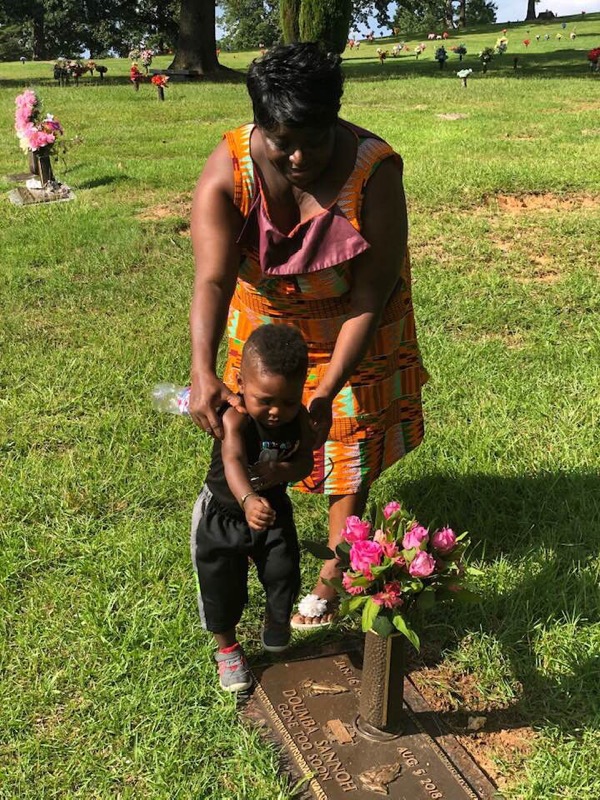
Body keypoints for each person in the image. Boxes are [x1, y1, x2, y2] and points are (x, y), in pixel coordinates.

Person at [189, 42, 427, 630]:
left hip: (355, 322)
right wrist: (201, 366)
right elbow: (213, 280)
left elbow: (369, 296)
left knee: (346, 445)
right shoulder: (229, 170)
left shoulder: (375, 171)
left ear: (336, 119)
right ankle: (270, 551)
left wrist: (325, 390)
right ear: (260, 125)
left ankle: (331, 576)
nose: (298, 157)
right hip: (268, 325)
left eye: (313, 141)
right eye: (281, 141)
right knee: (268, 438)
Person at [191, 324, 314, 692]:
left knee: (284, 570)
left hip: (272, 510)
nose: (277, 411)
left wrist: (282, 470)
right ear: (241, 384)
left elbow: (306, 462)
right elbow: (232, 461)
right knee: (220, 586)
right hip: (223, 515)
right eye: (265, 400)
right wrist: (246, 499)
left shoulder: (301, 419)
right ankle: (226, 648)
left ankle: (276, 619)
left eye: (288, 402)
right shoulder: (236, 418)